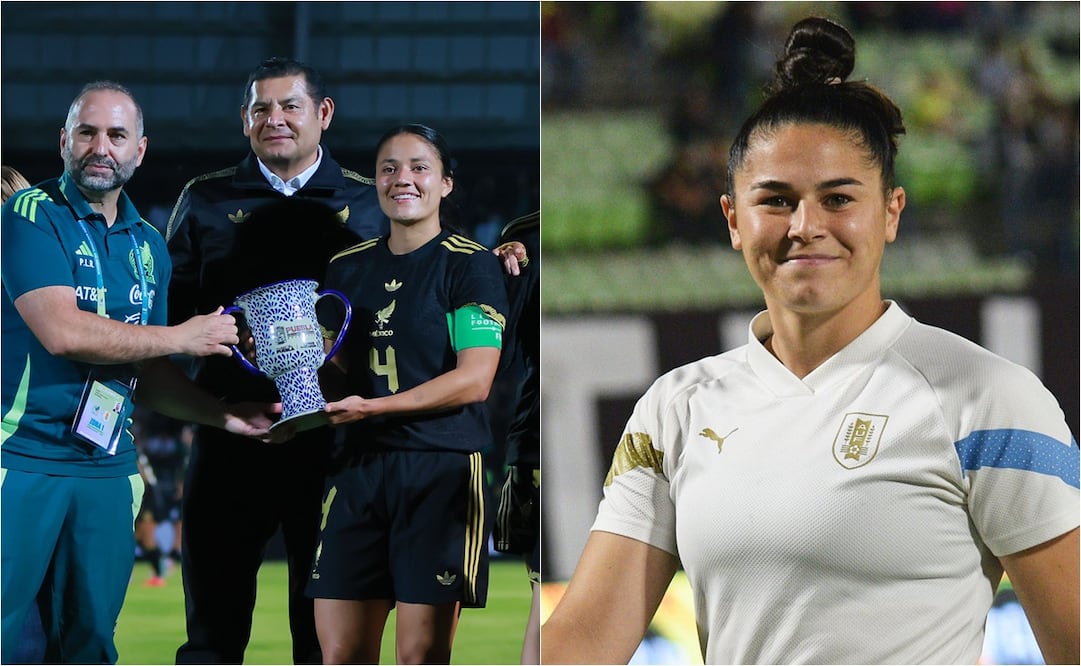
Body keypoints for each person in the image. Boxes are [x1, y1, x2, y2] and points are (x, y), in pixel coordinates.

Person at [541, 17, 1079, 665]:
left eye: (837, 198)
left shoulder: (989, 399)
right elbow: (582, 644)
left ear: (890, 212)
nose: (804, 226)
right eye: (775, 199)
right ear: (733, 221)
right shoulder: (674, 408)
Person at [1, 81, 279, 665]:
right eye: (87, 132)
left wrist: (223, 416)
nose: (101, 147)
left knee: (91, 642)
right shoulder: (28, 214)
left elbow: (146, 373)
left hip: (108, 470)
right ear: (64, 142)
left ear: (140, 150)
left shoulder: (149, 245)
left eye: (116, 135)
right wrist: (183, 336)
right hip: (22, 462)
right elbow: (63, 331)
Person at [164, 57, 388, 664]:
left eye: (290, 105)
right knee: (213, 632)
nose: (276, 119)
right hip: (233, 432)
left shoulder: (372, 204)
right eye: (261, 108)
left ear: (323, 114)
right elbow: (166, 318)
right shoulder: (205, 200)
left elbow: (415, 299)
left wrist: (502, 254)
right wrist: (211, 385)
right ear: (244, 121)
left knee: (324, 640)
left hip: (336, 443)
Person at [307, 124, 509, 664]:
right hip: (357, 470)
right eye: (389, 168)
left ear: (445, 183)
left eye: (419, 167)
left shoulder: (471, 264)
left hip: (439, 469)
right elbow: (335, 373)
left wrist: (375, 408)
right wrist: (294, 368)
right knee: (342, 654)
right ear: (375, 181)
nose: (403, 179)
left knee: (420, 656)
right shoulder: (345, 268)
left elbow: (475, 378)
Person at [490, 211, 541, 665]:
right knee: (546, 596)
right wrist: (493, 282)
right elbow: (499, 356)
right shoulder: (526, 241)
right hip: (541, 442)